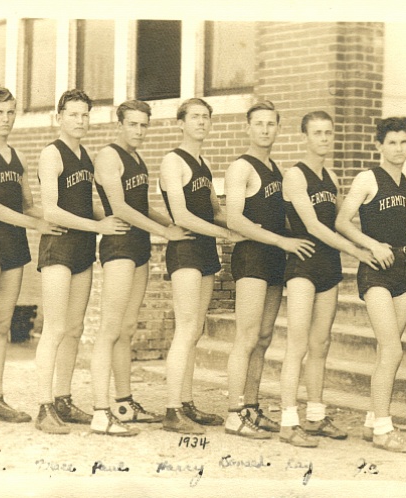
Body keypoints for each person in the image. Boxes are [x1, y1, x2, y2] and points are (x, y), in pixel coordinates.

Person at [0, 85, 66, 431]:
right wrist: (36, 225)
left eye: (10, 112)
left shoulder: (17, 156)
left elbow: (29, 204)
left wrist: (51, 218)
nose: (5, 119)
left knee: (3, 326)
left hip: (14, 244)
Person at [90, 100, 193, 436]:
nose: (138, 131)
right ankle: (100, 412)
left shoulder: (137, 158)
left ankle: (123, 402)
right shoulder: (108, 155)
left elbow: (142, 206)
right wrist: (165, 232)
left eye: (143, 125)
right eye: (132, 124)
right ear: (119, 124)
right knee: (110, 328)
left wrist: (173, 222)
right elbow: (118, 206)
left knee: (128, 327)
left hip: (139, 246)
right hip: (119, 244)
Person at [34, 90, 130, 434]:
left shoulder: (85, 156)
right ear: (59, 117)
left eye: (85, 115)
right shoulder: (51, 154)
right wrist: (99, 226)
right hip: (58, 247)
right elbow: (51, 209)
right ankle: (44, 407)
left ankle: (62, 398)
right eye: (73, 114)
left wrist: (117, 215)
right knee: (56, 328)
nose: (80, 121)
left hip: (82, 248)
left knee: (75, 329)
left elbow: (82, 203)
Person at [279, 111, 377, 447]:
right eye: (317, 133)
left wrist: (368, 240)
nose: (323, 138)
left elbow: (338, 220)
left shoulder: (331, 176)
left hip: (328, 265)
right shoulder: (295, 175)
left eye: (328, 132)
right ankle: (288, 422)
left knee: (321, 344)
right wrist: (357, 250)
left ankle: (316, 416)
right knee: (298, 344)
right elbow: (314, 227)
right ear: (304, 136)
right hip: (303, 264)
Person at [223, 101, 315, 439]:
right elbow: (234, 220)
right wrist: (280, 241)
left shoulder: (277, 170)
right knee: (246, 337)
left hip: (276, 258)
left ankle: (251, 406)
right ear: (248, 128)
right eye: (259, 124)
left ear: (278, 128)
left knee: (263, 339)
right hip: (252, 257)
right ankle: (234, 413)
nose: (265, 130)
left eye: (271, 124)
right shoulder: (241, 168)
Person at [336, 116, 406, 452]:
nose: (398, 149)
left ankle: (374, 420)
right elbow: (341, 221)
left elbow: (404, 225)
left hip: (402, 270)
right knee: (392, 349)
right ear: (379, 145)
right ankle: (384, 432)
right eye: (391, 142)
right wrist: (369, 246)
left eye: (404, 142)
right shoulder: (367, 178)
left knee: (389, 349)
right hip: (375, 271)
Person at [158, 98, 244, 434]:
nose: (202, 123)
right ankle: (171, 409)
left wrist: (246, 226)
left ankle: (186, 402)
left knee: (195, 330)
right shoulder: (172, 161)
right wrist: (227, 233)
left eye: (206, 117)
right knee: (186, 327)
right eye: (195, 117)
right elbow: (181, 216)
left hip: (205, 249)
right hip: (185, 250)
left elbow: (214, 210)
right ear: (181, 122)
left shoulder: (203, 162)